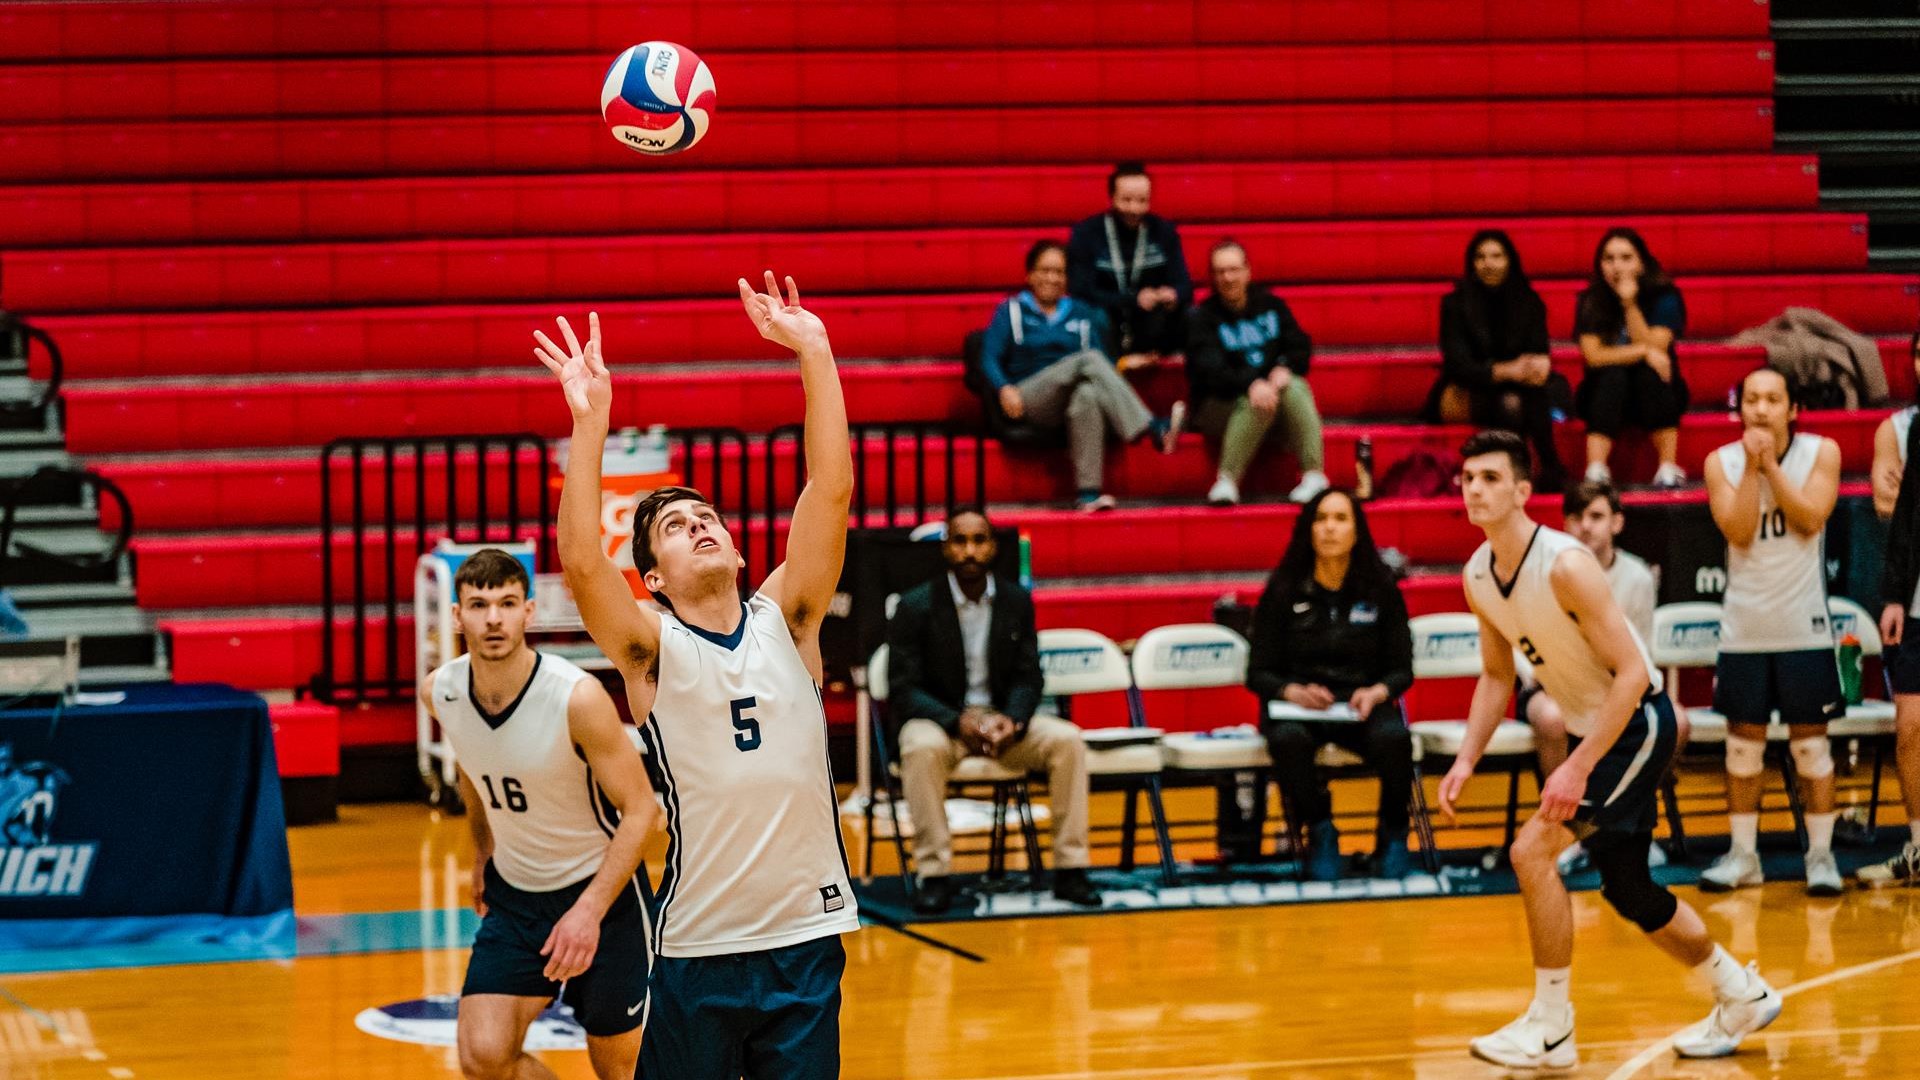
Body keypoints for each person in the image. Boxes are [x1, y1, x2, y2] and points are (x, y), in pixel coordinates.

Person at [533, 273, 858, 1079]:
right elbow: (580, 562)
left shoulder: (792, 617)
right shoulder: (651, 648)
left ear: (741, 550)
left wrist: (813, 350)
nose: (699, 526)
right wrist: (590, 422)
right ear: (654, 578)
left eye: (707, 517)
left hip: (804, 944)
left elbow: (832, 491)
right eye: (674, 527)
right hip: (700, 947)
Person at [1441, 430, 1779, 1070]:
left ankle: (1551, 1028)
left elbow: (1630, 672)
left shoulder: (1565, 565)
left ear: (1522, 491)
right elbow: (1495, 676)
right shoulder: (1478, 576)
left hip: (1635, 724)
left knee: (1530, 851)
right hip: (1591, 730)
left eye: (1489, 477)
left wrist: (1577, 762)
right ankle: (1742, 994)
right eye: (1467, 479)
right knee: (1629, 889)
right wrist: (1465, 759)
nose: (1475, 489)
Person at [424, 549, 661, 1080]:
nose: (493, 619)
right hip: (516, 899)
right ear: (457, 616)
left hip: (605, 897)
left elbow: (644, 811)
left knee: (619, 1069)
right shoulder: (441, 693)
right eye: (479, 605)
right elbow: (471, 764)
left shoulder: (576, 698)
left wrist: (588, 911)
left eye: (507, 603)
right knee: (484, 1056)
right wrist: (482, 851)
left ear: (528, 612)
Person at [886, 507, 1100, 913]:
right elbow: (903, 688)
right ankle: (933, 873)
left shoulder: (1016, 601)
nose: (969, 550)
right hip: (944, 723)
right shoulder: (915, 606)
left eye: (978, 540)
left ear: (993, 547)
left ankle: (1072, 868)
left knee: (1067, 740)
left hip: (1002, 725)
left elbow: (1029, 676)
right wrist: (957, 720)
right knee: (918, 747)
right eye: (959, 541)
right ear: (945, 548)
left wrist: (1013, 720)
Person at [1700, 367, 1845, 897]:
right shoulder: (1720, 462)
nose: (1760, 409)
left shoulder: (1822, 452)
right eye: (1752, 400)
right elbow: (1738, 531)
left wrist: (1771, 469)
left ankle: (1822, 857)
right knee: (1742, 751)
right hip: (1745, 628)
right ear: (1741, 410)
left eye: (1772, 399)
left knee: (1813, 751)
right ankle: (1744, 856)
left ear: (1792, 409)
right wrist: (1752, 471)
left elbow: (1810, 518)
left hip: (1803, 627)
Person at [1247, 489, 1415, 880]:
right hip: (1300, 706)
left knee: (1395, 740)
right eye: (1321, 519)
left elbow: (1402, 670)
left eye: (1340, 519)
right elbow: (1257, 673)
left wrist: (1377, 692)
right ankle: (1321, 831)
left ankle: (1393, 834)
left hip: (1359, 703)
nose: (1329, 528)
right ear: (1308, 529)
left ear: (1357, 531)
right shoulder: (1283, 590)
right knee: (1288, 740)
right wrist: (1292, 691)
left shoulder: (1381, 589)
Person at [980, 240, 1184, 512]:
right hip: (1028, 396)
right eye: (1045, 271)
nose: (1052, 278)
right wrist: (1004, 388)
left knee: (1086, 395)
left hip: (1068, 395)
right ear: (1029, 275)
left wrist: (1123, 363)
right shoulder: (1012, 310)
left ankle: (1088, 494)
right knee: (1087, 360)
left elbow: (1101, 365)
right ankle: (1152, 427)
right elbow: (988, 357)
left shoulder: (1081, 313)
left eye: (1059, 272)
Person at [1522, 480, 1661, 777]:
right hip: (1554, 685)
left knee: (1676, 721)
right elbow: (1522, 647)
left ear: (1617, 522)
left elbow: (1642, 655)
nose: (1585, 526)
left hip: (1615, 683)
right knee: (1551, 719)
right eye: (1576, 517)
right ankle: (1559, 815)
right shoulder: (1545, 571)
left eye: (1596, 516)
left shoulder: (1638, 577)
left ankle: (1634, 802)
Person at [1185, 240, 1328, 505]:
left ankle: (1314, 475)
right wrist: (1251, 383)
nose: (1227, 277)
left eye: (1233, 269)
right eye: (1220, 271)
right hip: (1217, 405)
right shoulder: (1201, 318)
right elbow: (1211, 372)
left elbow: (1300, 345)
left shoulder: (1271, 305)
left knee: (1294, 386)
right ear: (1212, 277)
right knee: (1258, 400)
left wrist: (1284, 367)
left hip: (1269, 401)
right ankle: (1226, 480)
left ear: (1247, 271)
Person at [1424, 229, 1566, 491]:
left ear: (1510, 260)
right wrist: (1506, 371)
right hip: (1466, 388)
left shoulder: (1529, 301)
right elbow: (1459, 366)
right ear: (1472, 262)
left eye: (1496, 256)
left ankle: (1528, 468)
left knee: (1524, 396)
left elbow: (1539, 354)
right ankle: (1543, 465)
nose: (1488, 263)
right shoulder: (1455, 304)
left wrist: (1534, 368)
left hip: (1519, 387)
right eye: (1481, 257)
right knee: (1513, 401)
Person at [1861, 327, 1920, 886]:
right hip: (1915, 600)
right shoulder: (1899, 429)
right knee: (1912, 728)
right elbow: (1888, 508)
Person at [1573, 228, 1690, 486]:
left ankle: (1668, 467)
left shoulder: (1664, 297)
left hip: (1652, 391)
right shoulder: (1591, 300)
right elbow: (1593, 356)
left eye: (1626, 258)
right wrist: (1644, 352)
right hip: (1604, 394)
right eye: (1609, 258)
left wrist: (1629, 304)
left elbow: (1657, 347)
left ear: (1642, 262)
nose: (1617, 267)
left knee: (1649, 373)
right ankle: (1596, 469)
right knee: (1612, 375)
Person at [1067, 161, 1193, 363]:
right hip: (1108, 318)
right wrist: (1132, 300)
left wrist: (1173, 295)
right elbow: (1080, 290)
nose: (1134, 209)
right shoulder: (1087, 233)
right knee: (1096, 317)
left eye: (1142, 200)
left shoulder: (1164, 231)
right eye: (1126, 200)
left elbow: (1185, 285)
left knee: (1188, 315)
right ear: (1111, 197)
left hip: (1151, 323)